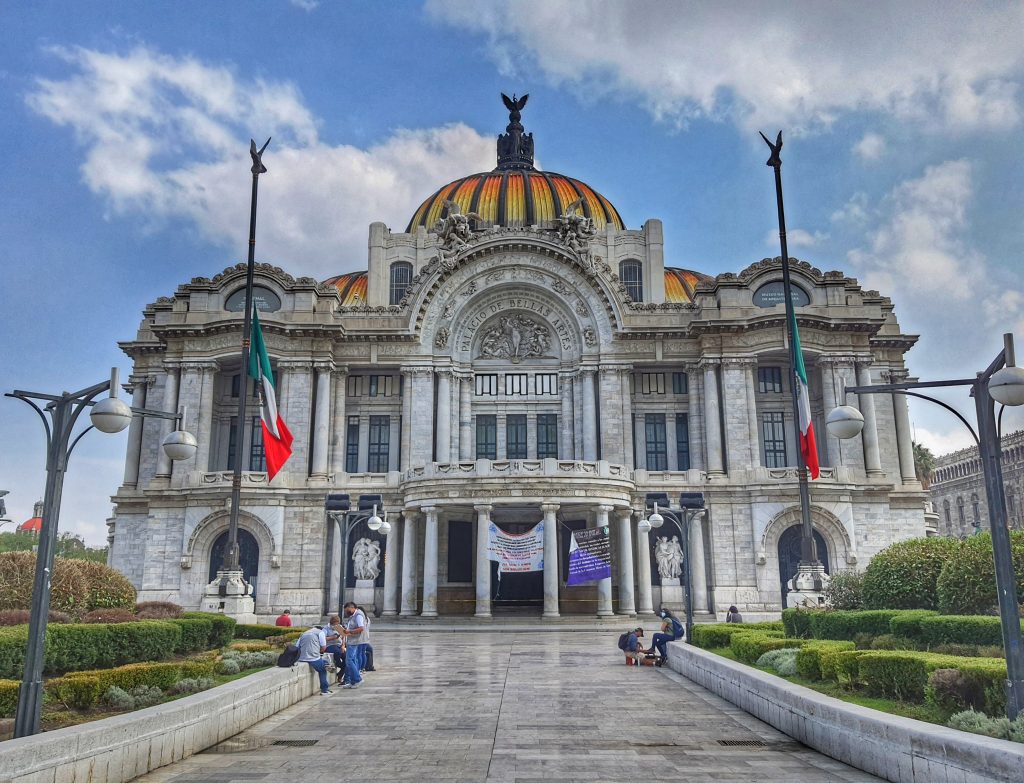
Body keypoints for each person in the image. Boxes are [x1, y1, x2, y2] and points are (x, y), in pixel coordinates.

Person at [296, 624, 331, 696]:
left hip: (302, 657)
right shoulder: (320, 633)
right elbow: (324, 647)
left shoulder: (304, 633)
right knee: (322, 670)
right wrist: (319, 652)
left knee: (324, 662)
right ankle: (324, 690)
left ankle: (326, 664)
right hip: (313, 657)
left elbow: (297, 646)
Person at [341, 602, 367, 689]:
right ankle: (353, 681)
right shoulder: (353, 616)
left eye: (347, 610)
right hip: (352, 640)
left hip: (354, 640)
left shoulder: (358, 615)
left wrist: (350, 631)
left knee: (349, 660)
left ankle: (357, 679)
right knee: (351, 660)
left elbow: (361, 628)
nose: (346, 612)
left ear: (351, 608)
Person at [323, 614, 346, 680]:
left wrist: (343, 645)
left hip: (339, 645)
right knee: (337, 652)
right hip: (330, 645)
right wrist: (333, 637)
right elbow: (323, 638)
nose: (336, 626)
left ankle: (340, 674)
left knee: (347, 657)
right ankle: (339, 664)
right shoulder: (326, 628)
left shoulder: (339, 627)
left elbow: (343, 636)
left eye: (337, 624)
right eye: (334, 624)